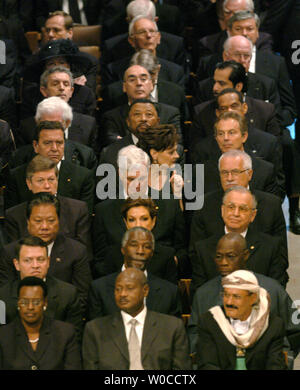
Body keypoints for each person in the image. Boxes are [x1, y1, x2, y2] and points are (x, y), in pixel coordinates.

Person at [188, 232, 300, 365]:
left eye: (230, 256)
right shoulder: (203, 294)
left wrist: (285, 358)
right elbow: (194, 336)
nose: (223, 262)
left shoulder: (273, 289)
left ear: (246, 255)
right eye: (219, 257)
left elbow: (295, 332)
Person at [94, 145, 187, 278]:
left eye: (142, 179)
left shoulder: (170, 205)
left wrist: (168, 264)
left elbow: (182, 251)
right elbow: (100, 261)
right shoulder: (104, 211)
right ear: (120, 174)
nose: (136, 186)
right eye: (131, 179)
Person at [83, 267, 191, 370]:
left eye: (129, 288)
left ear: (145, 290)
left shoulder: (171, 327)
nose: (122, 294)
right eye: (118, 289)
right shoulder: (96, 329)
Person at [0, 193, 92, 308]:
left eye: (51, 220)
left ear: (59, 221)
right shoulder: (10, 252)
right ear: (28, 223)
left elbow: (81, 298)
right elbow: (5, 298)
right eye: (38, 221)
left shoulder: (76, 251)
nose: (45, 226)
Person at [189, 149, 287, 257]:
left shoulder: (271, 205)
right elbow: (196, 253)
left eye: (235, 172)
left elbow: (280, 256)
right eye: (224, 173)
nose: (229, 178)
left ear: (249, 174)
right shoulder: (204, 204)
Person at [190, 186, 289, 290]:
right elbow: (199, 294)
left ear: (253, 215)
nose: (236, 213)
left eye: (243, 209)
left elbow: (276, 289)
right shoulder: (203, 249)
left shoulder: (271, 247)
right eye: (231, 207)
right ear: (222, 210)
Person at [196, 269, 287, 369]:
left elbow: (275, 366)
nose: (229, 302)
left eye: (236, 296)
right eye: (226, 295)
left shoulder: (272, 325)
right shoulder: (209, 321)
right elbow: (207, 365)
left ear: (253, 298)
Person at [0, 235, 83, 342]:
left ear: (48, 262)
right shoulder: (2, 296)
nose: (35, 265)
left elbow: (74, 338)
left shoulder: (68, 294)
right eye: (28, 260)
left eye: (40, 259)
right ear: (17, 264)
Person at [88, 227, 181, 319]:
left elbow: (174, 331)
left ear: (152, 253)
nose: (140, 251)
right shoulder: (99, 289)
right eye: (134, 245)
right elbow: (94, 331)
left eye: (147, 247)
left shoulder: (169, 292)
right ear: (123, 249)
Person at [4, 155, 92, 253]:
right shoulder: (14, 215)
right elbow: (13, 255)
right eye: (40, 180)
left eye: (51, 180)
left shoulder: (77, 210)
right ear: (29, 184)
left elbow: (84, 253)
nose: (47, 186)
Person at [192, 109, 285, 200]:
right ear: (216, 138)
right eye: (220, 134)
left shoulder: (265, 170)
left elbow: (272, 207)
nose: (226, 138)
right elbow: (194, 210)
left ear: (244, 136)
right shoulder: (201, 171)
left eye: (231, 133)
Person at [5, 121, 95, 213]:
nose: (54, 148)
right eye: (48, 143)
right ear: (36, 146)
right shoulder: (16, 176)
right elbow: (13, 218)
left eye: (59, 143)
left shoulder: (83, 177)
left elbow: (84, 218)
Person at [0, 276, 82, 370]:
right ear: (18, 303)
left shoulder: (65, 333)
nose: (30, 307)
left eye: (36, 302)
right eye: (24, 302)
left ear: (45, 303)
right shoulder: (3, 335)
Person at [18, 67, 98, 151]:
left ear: (71, 91)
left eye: (66, 84)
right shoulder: (27, 127)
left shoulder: (88, 124)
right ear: (44, 91)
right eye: (55, 84)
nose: (61, 88)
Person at [101, 198, 179, 283]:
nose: (138, 225)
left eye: (144, 219)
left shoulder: (166, 255)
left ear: (153, 221)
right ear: (125, 222)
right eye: (132, 220)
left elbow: (170, 292)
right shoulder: (113, 254)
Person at [101, 67, 182, 148]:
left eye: (143, 79)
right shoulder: (112, 117)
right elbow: (112, 146)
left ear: (152, 85)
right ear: (124, 87)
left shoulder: (170, 113)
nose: (139, 83)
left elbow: (176, 145)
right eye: (132, 80)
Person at [14, 96, 98, 171]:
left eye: (56, 124)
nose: (51, 129)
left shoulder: (85, 156)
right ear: (37, 122)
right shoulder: (19, 158)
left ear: (67, 123)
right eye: (46, 124)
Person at [102, 15, 186, 88]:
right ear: (131, 40)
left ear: (159, 38)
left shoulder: (175, 72)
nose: (148, 35)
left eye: (152, 31)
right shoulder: (114, 70)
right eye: (142, 32)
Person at [21, 38, 96, 119]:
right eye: (51, 64)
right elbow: (28, 125)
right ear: (44, 69)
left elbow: (88, 125)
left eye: (62, 62)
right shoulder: (32, 95)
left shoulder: (84, 93)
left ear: (70, 66)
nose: (57, 67)